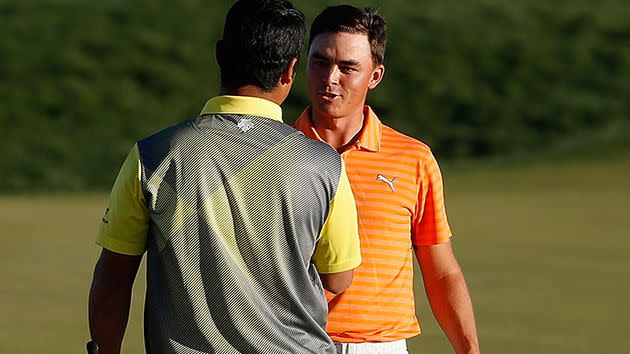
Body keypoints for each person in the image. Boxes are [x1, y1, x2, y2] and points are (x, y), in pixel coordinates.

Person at [88, 1, 362, 353]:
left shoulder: (153, 154)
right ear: (290, 70)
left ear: (220, 56)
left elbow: (113, 276)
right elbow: (338, 278)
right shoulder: (326, 165)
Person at [293, 5, 480, 354]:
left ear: (375, 76)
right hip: (293, 342)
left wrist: (469, 349)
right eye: (319, 62)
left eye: (348, 68)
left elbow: (441, 271)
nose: (330, 78)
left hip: (381, 346)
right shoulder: (274, 156)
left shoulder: (414, 158)